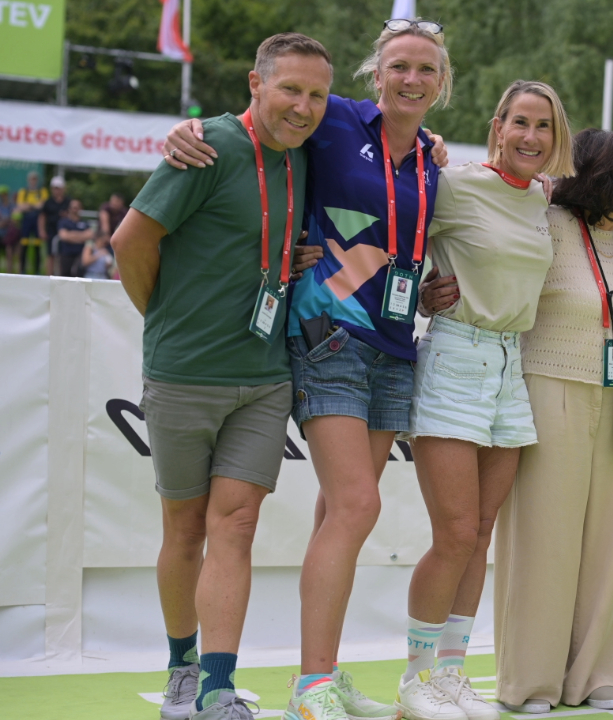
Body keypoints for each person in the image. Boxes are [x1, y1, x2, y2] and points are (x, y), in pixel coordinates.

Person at [162, 18, 455, 720]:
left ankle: (318, 672)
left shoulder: (432, 159)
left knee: (338, 510)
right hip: (327, 337)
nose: (411, 80)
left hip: (394, 344)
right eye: (399, 67)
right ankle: (314, 682)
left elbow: (400, 243)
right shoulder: (333, 119)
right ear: (375, 75)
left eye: (426, 70)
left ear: (442, 85)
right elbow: (264, 115)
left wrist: (432, 285)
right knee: (358, 504)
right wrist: (187, 128)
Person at [111, 32, 330, 720]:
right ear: (255, 84)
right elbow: (128, 242)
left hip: (264, 377)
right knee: (184, 529)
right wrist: (164, 318)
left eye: (317, 94)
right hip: (182, 375)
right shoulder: (205, 146)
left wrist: (438, 146)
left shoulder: (307, 156)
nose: (303, 106)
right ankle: (180, 665)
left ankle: (215, 686)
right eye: (289, 89)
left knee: (235, 526)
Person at [461, 126, 613, 713]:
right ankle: (531, 681)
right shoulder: (544, 220)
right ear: (600, 174)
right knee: (544, 539)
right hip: (551, 391)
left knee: (611, 540)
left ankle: (597, 676)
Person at [401, 79, 573, 719]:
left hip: (511, 367)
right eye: (521, 123)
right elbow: (397, 236)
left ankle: (450, 674)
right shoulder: (453, 183)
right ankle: (414, 679)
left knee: (478, 535)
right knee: (451, 534)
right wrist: (418, 293)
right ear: (497, 125)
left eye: (545, 127)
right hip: (453, 355)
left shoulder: (544, 200)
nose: (532, 137)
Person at [54, 198, 94, 277]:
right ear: (69, 208)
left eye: (77, 207)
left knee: (79, 275)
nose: (75, 210)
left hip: (80, 254)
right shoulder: (64, 222)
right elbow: (63, 236)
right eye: (73, 207)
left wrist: (71, 235)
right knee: (64, 277)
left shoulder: (85, 223)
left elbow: (90, 235)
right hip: (66, 254)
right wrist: (81, 237)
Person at [39, 176, 70, 275]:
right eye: (55, 188)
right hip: (51, 231)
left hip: (65, 231)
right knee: (50, 255)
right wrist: (42, 231)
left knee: (63, 255)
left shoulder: (68, 202)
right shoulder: (48, 202)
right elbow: (42, 216)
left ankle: (61, 275)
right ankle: (49, 275)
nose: (56, 191)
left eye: (58, 188)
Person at [0, 185, 17, 272]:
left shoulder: (12, 206)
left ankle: (9, 274)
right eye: (2, 194)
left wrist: (5, 222)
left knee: (9, 252)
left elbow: (14, 220)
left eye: (5, 194)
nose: (3, 196)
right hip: (1, 233)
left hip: (8, 235)